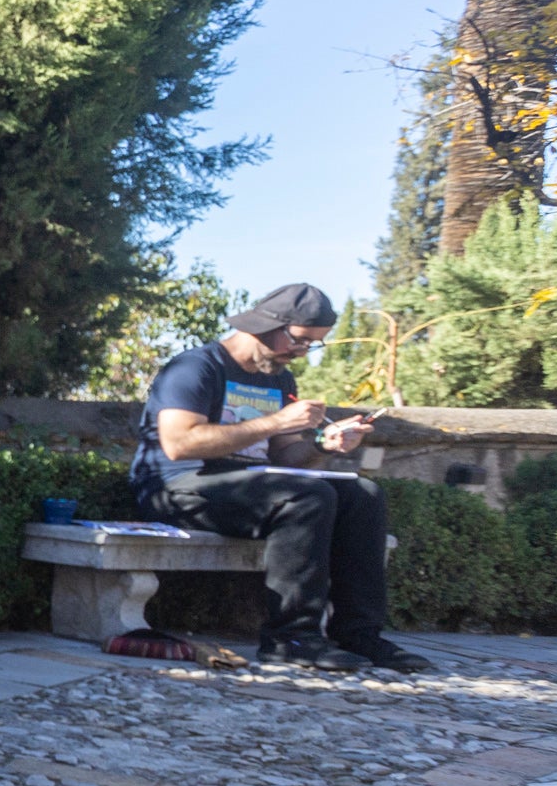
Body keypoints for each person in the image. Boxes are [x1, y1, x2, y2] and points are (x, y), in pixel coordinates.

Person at [132, 283, 431, 674]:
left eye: (313, 345)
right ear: (266, 325)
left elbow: (288, 457)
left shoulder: (278, 379)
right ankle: (291, 638)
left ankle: (359, 633)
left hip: (256, 487)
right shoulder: (197, 367)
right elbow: (178, 443)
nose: (302, 352)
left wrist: (324, 444)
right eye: (299, 341)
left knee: (363, 493)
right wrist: (275, 421)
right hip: (179, 486)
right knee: (307, 496)